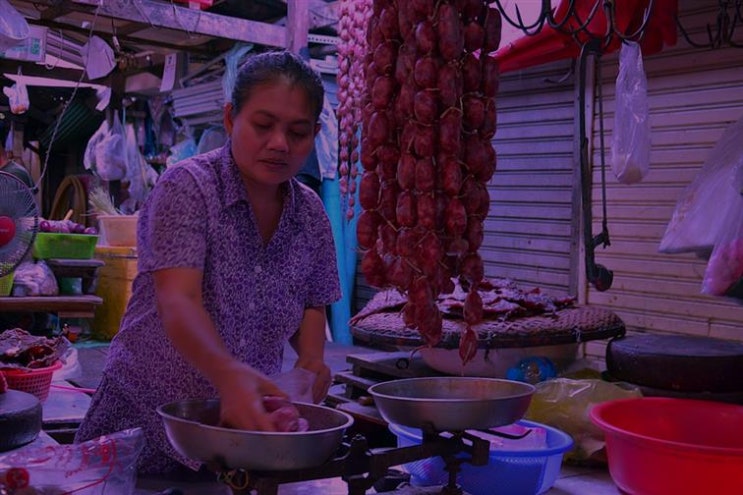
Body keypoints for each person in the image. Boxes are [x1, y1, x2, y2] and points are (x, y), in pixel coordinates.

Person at [74, 50, 342, 476]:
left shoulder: (309, 213)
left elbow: (312, 301)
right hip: (141, 427)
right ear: (231, 119)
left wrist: (310, 363)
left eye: (298, 132)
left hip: (239, 436)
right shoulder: (189, 187)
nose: (280, 143)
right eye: (263, 125)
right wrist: (229, 375)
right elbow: (178, 301)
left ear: (316, 134)